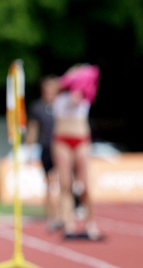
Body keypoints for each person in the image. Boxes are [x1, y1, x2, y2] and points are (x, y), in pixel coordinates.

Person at [51, 64, 101, 240]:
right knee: (65, 184)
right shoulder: (58, 96)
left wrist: (79, 84)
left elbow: (90, 77)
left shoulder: (85, 93)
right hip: (62, 140)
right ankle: (69, 223)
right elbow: (55, 87)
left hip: (81, 140)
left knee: (85, 186)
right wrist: (69, 78)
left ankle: (90, 223)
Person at [25, 74, 61, 232]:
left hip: (61, 148)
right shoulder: (38, 107)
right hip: (46, 148)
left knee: (63, 183)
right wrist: (29, 149)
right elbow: (33, 129)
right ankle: (51, 217)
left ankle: (62, 216)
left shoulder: (62, 105)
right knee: (49, 184)